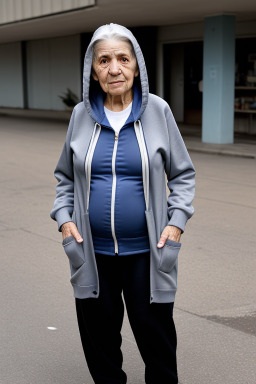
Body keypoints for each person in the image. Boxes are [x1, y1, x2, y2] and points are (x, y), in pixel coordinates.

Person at [50, 23, 195, 384]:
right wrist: (65, 218)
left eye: (122, 58)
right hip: (90, 251)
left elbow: (183, 175)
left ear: (136, 65)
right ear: (93, 70)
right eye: (104, 60)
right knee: (99, 342)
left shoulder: (158, 111)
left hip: (149, 251)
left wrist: (175, 223)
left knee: (156, 339)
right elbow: (65, 176)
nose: (114, 68)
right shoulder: (80, 115)